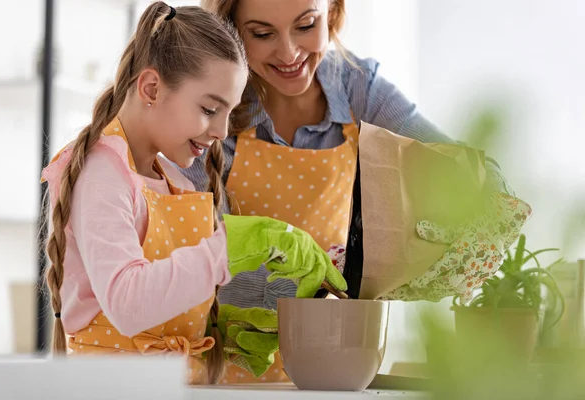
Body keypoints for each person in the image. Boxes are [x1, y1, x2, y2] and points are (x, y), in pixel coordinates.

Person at [176, 0, 530, 382]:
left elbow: (471, 172)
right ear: (231, 32)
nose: (290, 53)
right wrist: (317, 277)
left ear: (332, 13)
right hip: (226, 363)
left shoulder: (358, 86)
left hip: (333, 364)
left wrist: (465, 213)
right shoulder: (208, 108)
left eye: (306, 25)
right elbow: (189, 257)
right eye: (262, 34)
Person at [40, 2, 345, 386]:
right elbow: (128, 303)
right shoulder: (102, 172)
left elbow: (172, 289)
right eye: (208, 109)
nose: (220, 131)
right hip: (109, 389)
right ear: (151, 88)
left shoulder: (172, 180)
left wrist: (230, 326)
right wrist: (226, 248)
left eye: (227, 114)